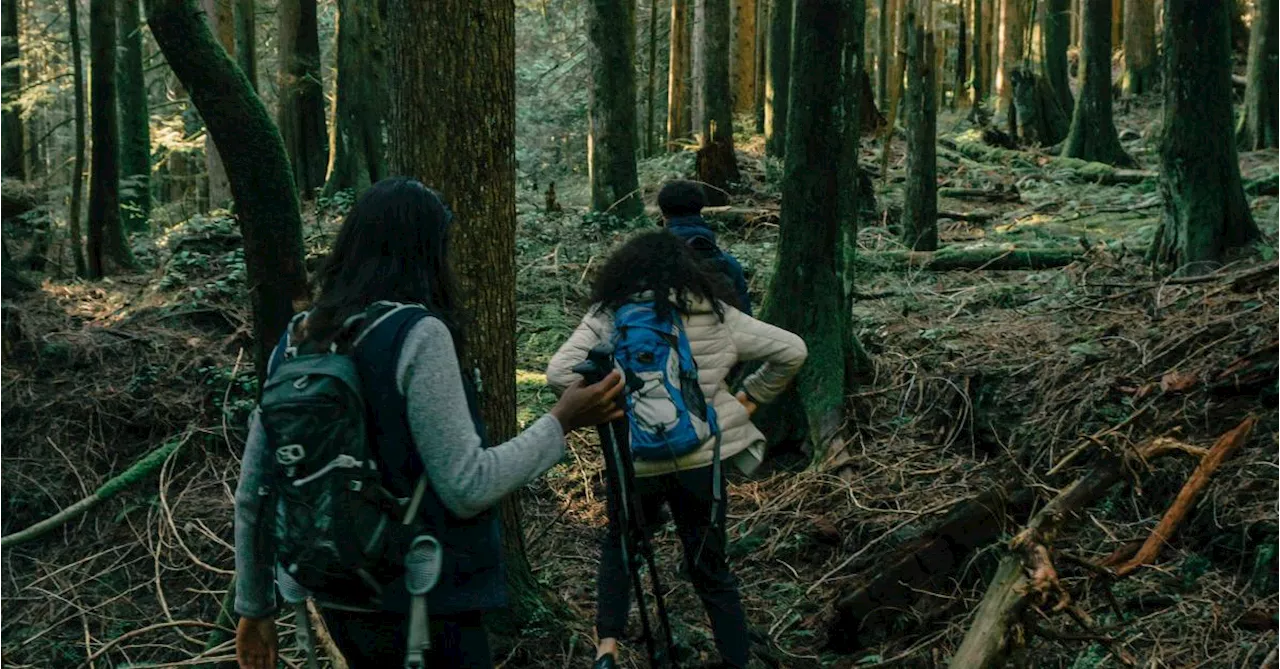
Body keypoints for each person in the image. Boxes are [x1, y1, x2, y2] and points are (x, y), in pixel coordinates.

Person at [233, 177, 626, 669]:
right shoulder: (417, 334)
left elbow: (254, 492)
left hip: (336, 596)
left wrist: (252, 607)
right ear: (427, 252)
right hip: (425, 602)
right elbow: (468, 484)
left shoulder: (298, 338)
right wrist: (562, 420)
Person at [546, 231, 808, 669]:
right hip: (700, 461)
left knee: (620, 547)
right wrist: (746, 402)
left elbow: (558, 373)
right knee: (711, 569)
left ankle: (606, 648)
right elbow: (793, 350)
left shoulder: (610, 314)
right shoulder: (715, 312)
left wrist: (612, 402)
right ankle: (736, 660)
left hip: (635, 461)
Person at [656, 180, 753, 316]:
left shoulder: (649, 262)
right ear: (700, 210)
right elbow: (745, 317)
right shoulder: (729, 265)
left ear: (663, 215)